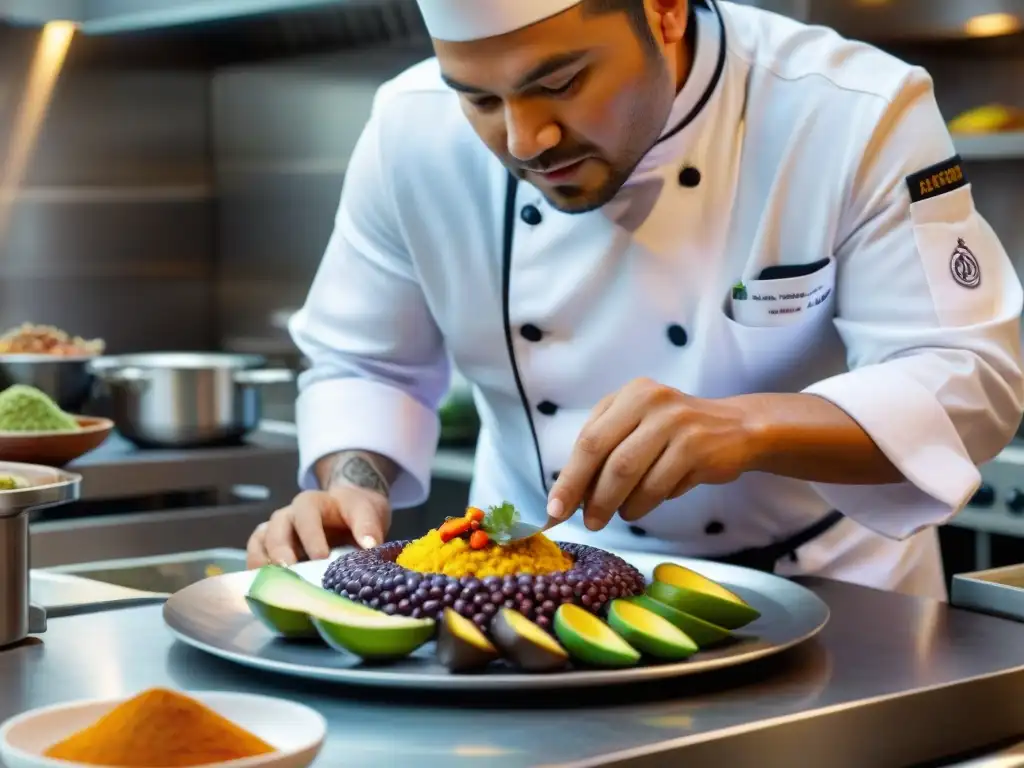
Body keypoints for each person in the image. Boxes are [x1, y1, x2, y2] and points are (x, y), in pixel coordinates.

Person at [245, 0, 1024, 601]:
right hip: (516, 598)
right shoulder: (406, 128)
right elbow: (364, 363)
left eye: (559, 83)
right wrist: (351, 485)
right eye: (478, 100)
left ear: (665, 11)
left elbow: (966, 374)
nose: (524, 139)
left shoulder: (847, 108)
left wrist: (750, 424)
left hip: (834, 598)